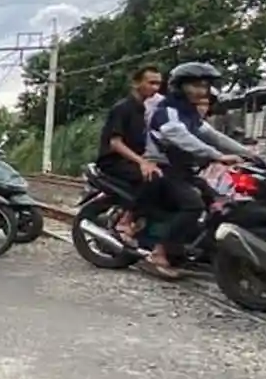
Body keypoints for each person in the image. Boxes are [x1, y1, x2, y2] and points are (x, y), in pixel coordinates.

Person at [145, 62, 255, 277]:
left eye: (204, 86)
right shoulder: (168, 111)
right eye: (195, 86)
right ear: (179, 87)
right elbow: (181, 137)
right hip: (163, 168)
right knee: (193, 205)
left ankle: (197, 248)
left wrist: (250, 154)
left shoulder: (189, 113)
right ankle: (158, 253)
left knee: (216, 201)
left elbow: (214, 136)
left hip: (183, 171)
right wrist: (218, 156)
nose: (201, 91)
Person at [95, 65, 163, 240]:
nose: (155, 88)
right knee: (153, 178)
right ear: (136, 83)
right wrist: (142, 162)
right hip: (113, 161)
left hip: (130, 160)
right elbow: (115, 143)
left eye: (158, 84)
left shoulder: (143, 109)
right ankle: (126, 220)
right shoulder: (123, 108)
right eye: (151, 83)